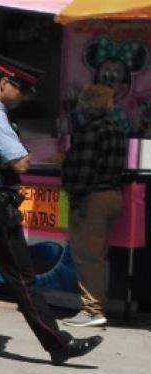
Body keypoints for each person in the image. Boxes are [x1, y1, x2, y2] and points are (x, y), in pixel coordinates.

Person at [0, 57, 103, 364]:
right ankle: (58, 345)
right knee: (23, 278)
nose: (25, 97)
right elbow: (20, 162)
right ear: (4, 82)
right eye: (22, 89)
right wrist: (17, 156)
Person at [61, 83, 126, 328]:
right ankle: (96, 305)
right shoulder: (117, 130)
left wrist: (75, 197)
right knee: (99, 256)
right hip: (113, 195)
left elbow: (84, 172)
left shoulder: (90, 132)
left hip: (93, 199)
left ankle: (92, 309)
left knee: (87, 256)